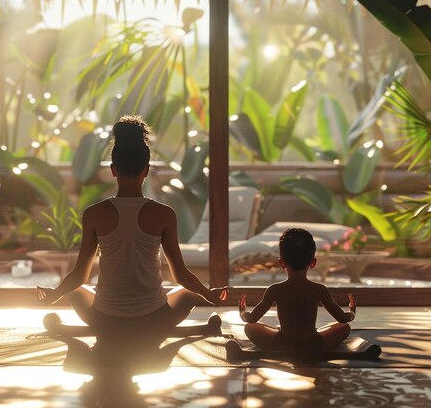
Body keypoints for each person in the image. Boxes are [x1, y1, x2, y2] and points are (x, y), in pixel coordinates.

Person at [36, 114, 228, 347]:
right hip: (154, 318)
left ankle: (112, 329)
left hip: (104, 318)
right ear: (146, 170)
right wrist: (210, 294)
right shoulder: (164, 213)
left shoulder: (94, 214)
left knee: (75, 291)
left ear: (113, 170)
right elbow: (181, 275)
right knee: (188, 294)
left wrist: (53, 295)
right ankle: (156, 328)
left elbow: (80, 275)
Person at [237, 227, 355, 356]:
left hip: (282, 344)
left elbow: (251, 318)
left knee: (250, 328)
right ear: (313, 263)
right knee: (344, 328)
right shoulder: (319, 290)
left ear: (282, 263)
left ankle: (283, 341)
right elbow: (343, 319)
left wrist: (243, 312)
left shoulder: (275, 290)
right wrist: (352, 312)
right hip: (313, 345)